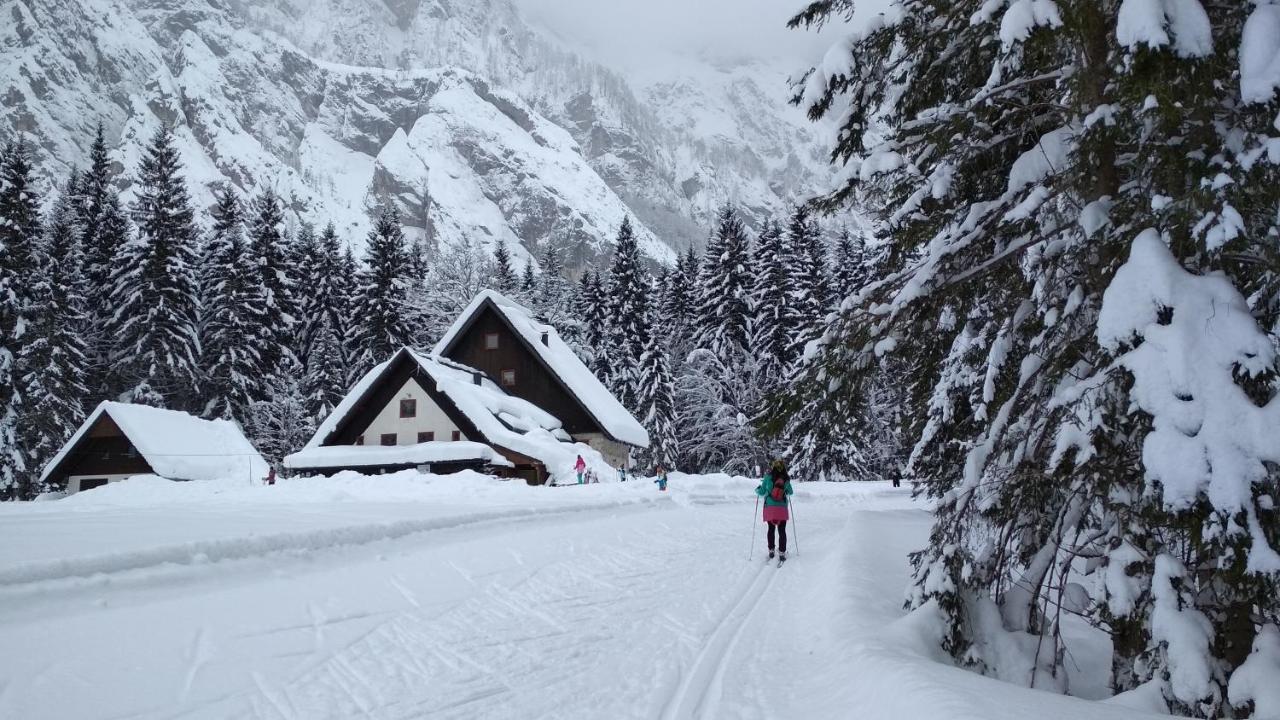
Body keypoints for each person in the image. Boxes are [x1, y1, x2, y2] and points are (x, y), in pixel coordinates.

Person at [756, 459, 793, 561]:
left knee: (771, 529)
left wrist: (757, 490)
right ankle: (781, 552)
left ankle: (771, 550)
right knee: (782, 530)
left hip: (770, 508)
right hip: (782, 508)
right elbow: (791, 492)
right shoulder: (786, 479)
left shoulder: (768, 477)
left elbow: (762, 492)